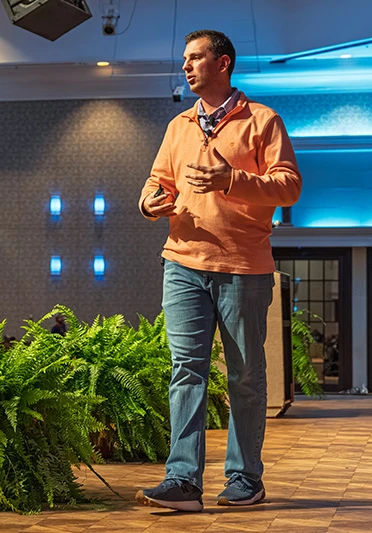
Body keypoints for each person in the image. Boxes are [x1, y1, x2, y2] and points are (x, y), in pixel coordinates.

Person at [134, 30, 301, 513]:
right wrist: (149, 203)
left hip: (243, 267)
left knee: (246, 376)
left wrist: (232, 179)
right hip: (182, 263)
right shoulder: (178, 125)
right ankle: (182, 480)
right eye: (184, 59)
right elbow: (155, 181)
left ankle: (245, 478)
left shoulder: (263, 121)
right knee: (186, 371)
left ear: (222, 63)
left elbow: (288, 186)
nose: (186, 67)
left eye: (195, 58)